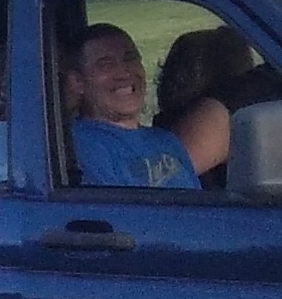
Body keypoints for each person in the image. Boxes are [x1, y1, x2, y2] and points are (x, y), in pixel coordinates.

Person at [64, 23, 227, 188]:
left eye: (130, 59)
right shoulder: (81, 145)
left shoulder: (166, 141)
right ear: (77, 82)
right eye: (106, 65)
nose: (124, 72)